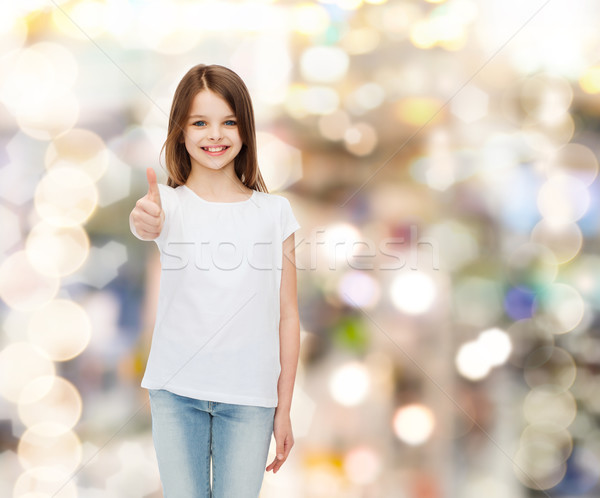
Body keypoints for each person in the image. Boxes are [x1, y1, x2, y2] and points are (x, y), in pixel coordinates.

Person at [129, 63, 301, 498]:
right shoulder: (165, 204)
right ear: (181, 132)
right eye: (200, 123)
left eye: (228, 122)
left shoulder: (274, 213)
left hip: (250, 400)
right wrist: (144, 221)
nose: (215, 135)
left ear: (245, 131)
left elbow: (288, 315)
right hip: (175, 393)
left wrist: (284, 409)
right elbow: (145, 223)